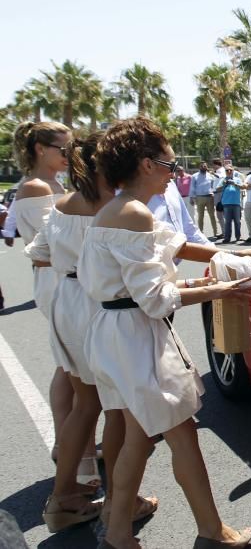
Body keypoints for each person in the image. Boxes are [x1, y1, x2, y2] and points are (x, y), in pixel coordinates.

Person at [78, 117, 251, 549]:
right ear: (144, 164)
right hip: (137, 338)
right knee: (182, 435)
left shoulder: (113, 210)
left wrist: (233, 255)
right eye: (167, 163)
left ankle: (117, 533)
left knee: (138, 438)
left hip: (112, 334)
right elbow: (155, 300)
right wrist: (221, 288)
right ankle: (213, 533)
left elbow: (169, 251)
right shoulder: (134, 213)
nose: (173, 172)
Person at [26, 133, 159, 536]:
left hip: (65, 301)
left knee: (85, 406)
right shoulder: (115, 209)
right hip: (95, 306)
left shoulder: (63, 203)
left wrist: (69, 264)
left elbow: (37, 252)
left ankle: (62, 497)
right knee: (117, 409)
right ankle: (123, 503)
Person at [10, 122, 100, 487]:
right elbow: (54, 242)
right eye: (63, 149)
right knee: (73, 369)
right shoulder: (34, 188)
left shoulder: (55, 185)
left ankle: (73, 447)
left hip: (65, 276)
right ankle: (76, 455)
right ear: (39, 149)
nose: (69, 155)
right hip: (56, 279)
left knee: (71, 369)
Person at [215, 166, 245, 243]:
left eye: (230, 170)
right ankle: (227, 237)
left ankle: (238, 236)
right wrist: (224, 184)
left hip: (236, 203)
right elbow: (217, 189)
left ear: (233, 171)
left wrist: (234, 183)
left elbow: (243, 186)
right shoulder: (223, 180)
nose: (229, 171)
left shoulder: (237, 179)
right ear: (225, 172)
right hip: (226, 203)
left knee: (237, 221)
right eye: (227, 170)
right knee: (227, 222)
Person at [190, 161, 218, 237]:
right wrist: (191, 197)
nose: (204, 167)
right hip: (199, 198)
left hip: (209, 197)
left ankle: (216, 232)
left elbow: (214, 185)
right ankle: (201, 232)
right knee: (200, 216)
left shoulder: (210, 176)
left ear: (207, 167)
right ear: (199, 167)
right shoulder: (194, 176)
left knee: (212, 215)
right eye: (202, 166)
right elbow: (192, 187)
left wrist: (213, 193)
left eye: (205, 166)